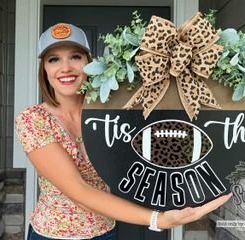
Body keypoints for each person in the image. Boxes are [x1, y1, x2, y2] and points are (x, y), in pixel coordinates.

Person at [15, 23, 232, 240]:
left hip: (105, 232)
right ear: (44, 68)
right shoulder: (33, 120)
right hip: (52, 235)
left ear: (89, 63)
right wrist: (159, 219)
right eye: (54, 59)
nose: (65, 68)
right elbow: (79, 191)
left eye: (75, 57)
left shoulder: (111, 113)